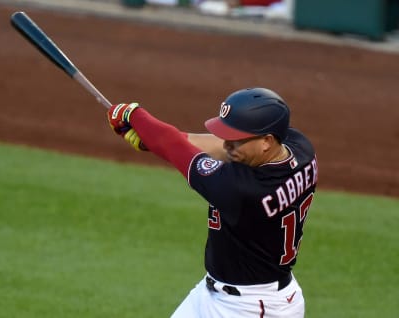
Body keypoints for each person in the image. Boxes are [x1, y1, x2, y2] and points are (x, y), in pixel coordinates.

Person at [106, 87, 318, 318]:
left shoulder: (242, 190)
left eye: (237, 139)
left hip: (251, 308)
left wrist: (133, 115)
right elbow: (203, 146)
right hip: (217, 295)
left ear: (266, 141)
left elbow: (173, 148)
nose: (227, 144)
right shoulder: (301, 150)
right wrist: (153, 139)